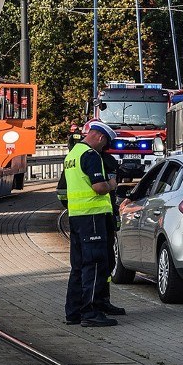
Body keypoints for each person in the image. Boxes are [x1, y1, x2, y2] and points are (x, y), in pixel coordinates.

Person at [63, 120, 126, 327]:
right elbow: (99, 187)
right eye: (105, 143)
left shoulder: (72, 155)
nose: (105, 147)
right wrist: (113, 183)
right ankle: (90, 313)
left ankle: (73, 312)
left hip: (77, 217)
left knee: (79, 266)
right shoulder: (90, 155)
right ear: (99, 137)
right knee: (95, 264)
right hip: (93, 217)